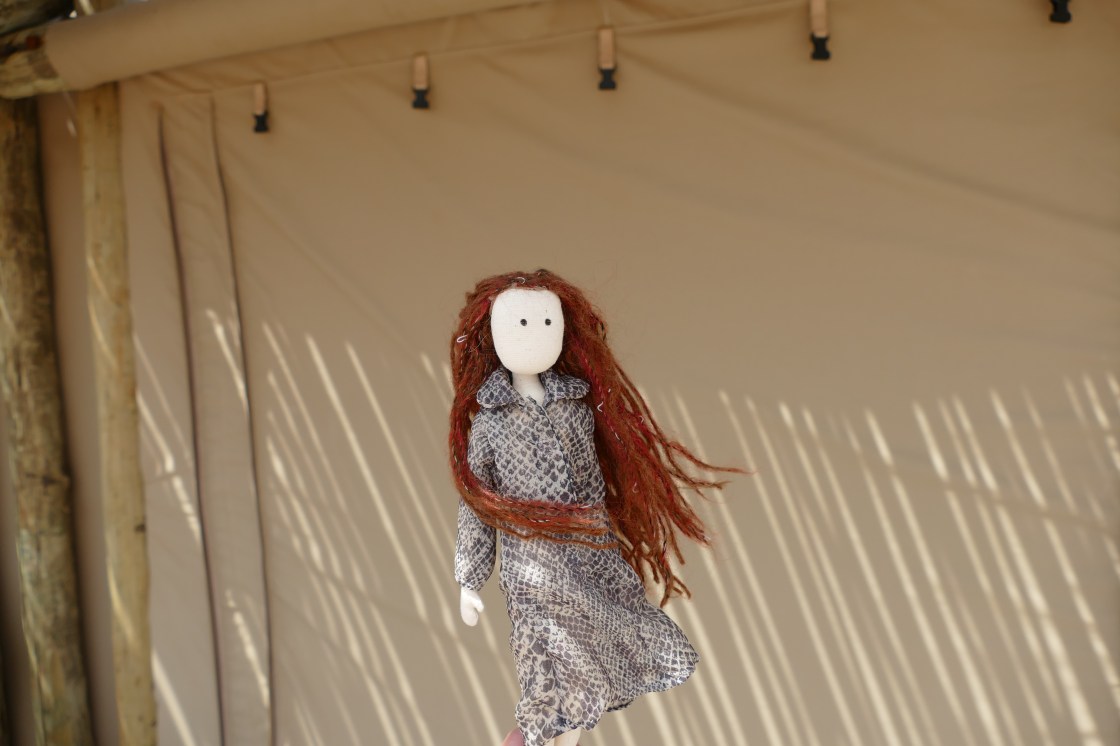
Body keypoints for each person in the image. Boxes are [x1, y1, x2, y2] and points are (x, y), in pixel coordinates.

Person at [448, 269, 747, 746]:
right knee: (548, 661)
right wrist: (470, 577)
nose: (536, 333)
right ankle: (536, 732)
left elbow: (589, 482)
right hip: (532, 570)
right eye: (521, 324)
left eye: (547, 323)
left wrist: (604, 546)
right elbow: (479, 505)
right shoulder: (490, 423)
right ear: (494, 334)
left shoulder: (575, 408)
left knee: (590, 664)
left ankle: (544, 736)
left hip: (585, 557)